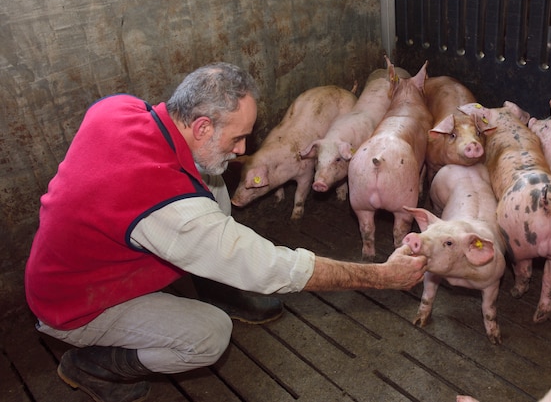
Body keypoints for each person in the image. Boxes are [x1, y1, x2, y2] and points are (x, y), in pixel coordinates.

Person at [24, 62, 427, 402]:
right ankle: (94, 365)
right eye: (237, 137)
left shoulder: (118, 109)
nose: (242, 149)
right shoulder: (168, 209)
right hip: (75, 304)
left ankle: (217, 282)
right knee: (211, 336)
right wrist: (381, 277)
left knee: (213, 176)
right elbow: (276, 268)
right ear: (201, 127)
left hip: (87, 260)